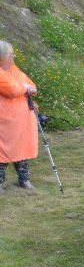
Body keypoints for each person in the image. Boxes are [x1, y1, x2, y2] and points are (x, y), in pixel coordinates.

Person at [0, 41, 38, 192]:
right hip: (5, 122)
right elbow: (12, 90)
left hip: (22, 121)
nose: (14, 56)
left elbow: (31, 85)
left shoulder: (14, 69)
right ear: (2, 57)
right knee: (3, 152)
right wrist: (25, 87)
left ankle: (24, 180)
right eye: (11, 54)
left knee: (22, 150)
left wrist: (28, 87)